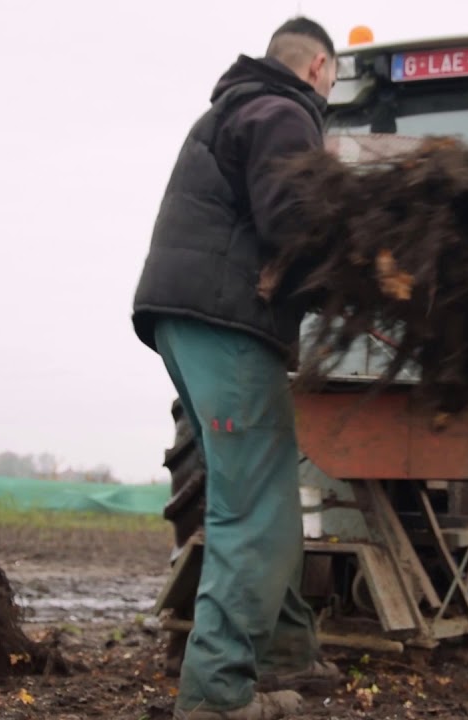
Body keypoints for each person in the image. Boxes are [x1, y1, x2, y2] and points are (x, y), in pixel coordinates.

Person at [130, 17, 341, 720]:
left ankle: (286, 653)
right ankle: (216, 694)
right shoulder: (284, 112)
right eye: (333, 81)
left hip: (186, 318)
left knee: (261, 494)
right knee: (253, 509)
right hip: (227, 323)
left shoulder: (237, 106)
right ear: (318, 68)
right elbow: (293, 221)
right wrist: (358, 272)